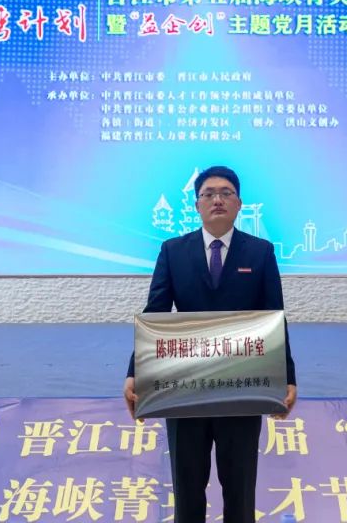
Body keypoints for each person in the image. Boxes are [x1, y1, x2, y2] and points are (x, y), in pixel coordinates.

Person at [123, 165, 297, 523]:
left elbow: (274, 317)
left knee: (240, 488)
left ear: (239, 204)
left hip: (241, 386)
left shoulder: (260, 252)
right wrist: (135, 371)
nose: (217, 199)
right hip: (184, 387)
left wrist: (287, 378)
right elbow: (156, 313)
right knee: (187, 489)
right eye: (208, 194)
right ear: (197, 205)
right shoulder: (173, 251)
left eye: (226, 193)